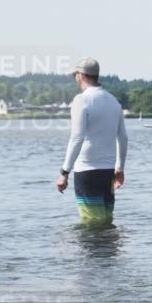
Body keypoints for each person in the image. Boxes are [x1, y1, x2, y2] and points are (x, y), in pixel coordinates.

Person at [56, 57, 127, 224]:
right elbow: (123, 138)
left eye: (75, 75)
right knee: (106, 221)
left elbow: (77, 138)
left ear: (81, 75)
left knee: (91, 224)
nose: (75, 78)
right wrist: (120, 168)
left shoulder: (81, 100)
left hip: (87, 172)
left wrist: (64, 172)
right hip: (108, 172)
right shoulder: (114, 101)